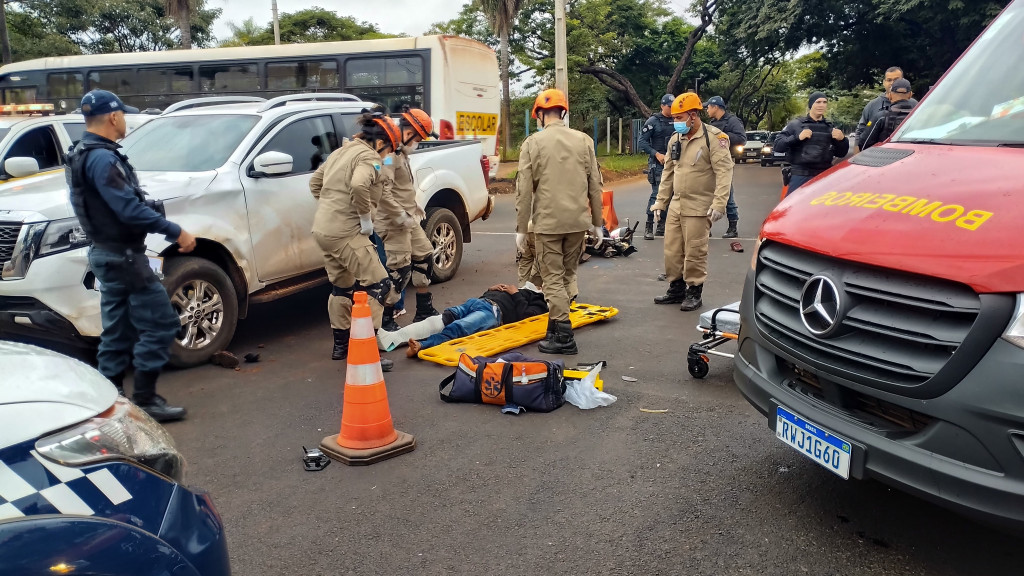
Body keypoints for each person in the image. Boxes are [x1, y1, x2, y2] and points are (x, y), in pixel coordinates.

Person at [66, 90, 194, 422]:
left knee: (117, 329)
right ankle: (146, 399)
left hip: (106, 253)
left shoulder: (82, 153)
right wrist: (174, 230)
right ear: (113, 117)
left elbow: (108, 204)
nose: (124, 119)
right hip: (125, 258)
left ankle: (110, 400)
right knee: (162, 324)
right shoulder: (103, 158)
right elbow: (126, 209)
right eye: (122, 114)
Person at [309, 112, 403, 371]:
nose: (387, 157)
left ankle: (341, 347)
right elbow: (360, 185)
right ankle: (366, 349)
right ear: (382, 143)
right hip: (347, 233)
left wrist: (332, 206)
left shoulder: (342, 151)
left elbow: (315, 182)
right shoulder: (368, 156)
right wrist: (363, 217)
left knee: (341, 286)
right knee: (378, 285)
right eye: (390, 150)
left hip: (323, 230)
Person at [516, 88, 603, 355]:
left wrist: (521, 229)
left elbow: (524, 190)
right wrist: (597, 223)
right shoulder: (584, 140)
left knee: (552, 278)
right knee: (567, 274)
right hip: (578, 222)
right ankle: (553, 329)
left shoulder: (532, 143)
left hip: (548, 224)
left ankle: (564, 335)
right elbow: (595, 185)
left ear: (540, 114)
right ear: (563, 112)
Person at [651, 92, 734, 312]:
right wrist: (660, 202)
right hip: (677, 205)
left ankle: (694, 291)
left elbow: (725, 172)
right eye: (674, 119)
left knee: (695, 251)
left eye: (679, 118)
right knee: (672, 250)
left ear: (693, 115)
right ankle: (675, 288)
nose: (676, 123)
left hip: (699, 206)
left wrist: (719, 204)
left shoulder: (715, 138)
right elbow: (668, 172)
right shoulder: (675, 139)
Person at [377, 108, 441, 331]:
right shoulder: (389, 155)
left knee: (424, 255)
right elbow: (382, 193)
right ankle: (385, 319)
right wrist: (400, 215)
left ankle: (424, 309)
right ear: (408, 131)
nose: (419, 142)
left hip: (408, 218)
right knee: (399, 270)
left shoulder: (401, 152)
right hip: (393, 222)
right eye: (419, 137)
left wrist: (413, 208)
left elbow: (401, 189)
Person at [376, 282, 548, 357]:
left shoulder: (540, 302)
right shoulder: (525, 289)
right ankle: (394, 338)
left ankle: (422, 345)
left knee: (457, 327)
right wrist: (491, 290)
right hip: (479, 302)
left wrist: (516, 294)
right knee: (441, 319)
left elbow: (529, 317)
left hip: (494, 313)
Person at [773, 92, 850, 195]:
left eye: (824, 102)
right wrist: (797, 138)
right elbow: (778, 146)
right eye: (818, 102)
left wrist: (842, 140)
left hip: (824, 175)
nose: (821, 105)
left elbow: (841, 153)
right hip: (800, 175)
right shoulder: (796, 125)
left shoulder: (830, 127)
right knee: (793, 208)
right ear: (811, 105)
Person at [704, 95, 746, 239]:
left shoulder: (732, 121)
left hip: (724, 162)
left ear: (716, 107)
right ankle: (706, 227)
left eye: (708, 107)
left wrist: (722, 136)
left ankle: (733, 227)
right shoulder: (711, 123)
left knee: (727, 195)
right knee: (707, 197)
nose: (707, 110)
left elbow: (741, 138)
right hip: (709, 163)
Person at [638, 94, 677, 240]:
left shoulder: (677, 120)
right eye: (669, 107)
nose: (671, 109)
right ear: (662, 106)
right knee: (657, 194)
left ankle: (662, 225)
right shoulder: (653, 121)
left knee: (671, 194)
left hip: (674, 163)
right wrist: (657, 154)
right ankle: (649, 226)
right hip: (658, 164)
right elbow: (642, 142)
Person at [856, 67, 919, 152]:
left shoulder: (916, 105)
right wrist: (857, 156)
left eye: (896, 80)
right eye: (889, 80)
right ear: (884, 82)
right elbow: (860, 131)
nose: (892, 83)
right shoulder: (872, 105)